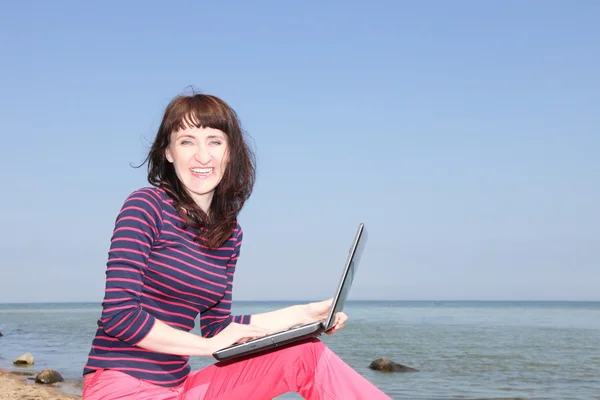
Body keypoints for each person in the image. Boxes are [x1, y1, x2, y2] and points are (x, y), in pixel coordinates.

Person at [82, 92, 391, 399]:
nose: (202, 156)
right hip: (120, 385)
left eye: (214, 141)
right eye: (187, 141)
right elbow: (119, 314)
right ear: (168, 153)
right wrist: (206, 348)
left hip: (182, 388)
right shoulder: (146, 206)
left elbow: (218, 329)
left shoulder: (229, 235)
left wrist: (308, 313)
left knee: (306, 354)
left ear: (230, 152)